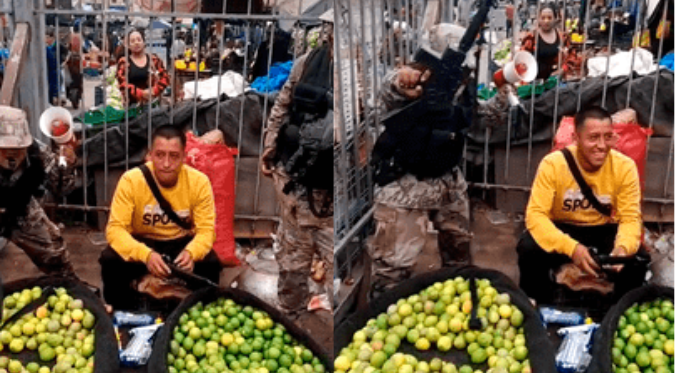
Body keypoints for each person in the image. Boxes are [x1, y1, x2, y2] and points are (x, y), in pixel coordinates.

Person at [516, 107, 647, 305]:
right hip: (563, 228)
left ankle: (618, 309)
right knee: (528, 247)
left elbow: (630, 217)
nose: (602, 146)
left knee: (638, 258)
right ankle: (540, 302)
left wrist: (623, 248)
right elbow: (536, 216)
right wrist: (571, 248)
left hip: (600, 229)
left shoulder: (624, 167)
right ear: (576, 138)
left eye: (608, 137)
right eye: (593, 137)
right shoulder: (552, 165)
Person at [367, 60, 473, 297]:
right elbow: (389, 90)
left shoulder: (463, 89)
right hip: (404, 186)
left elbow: (484, 117)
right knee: (392, 275)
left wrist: (504, 87)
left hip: (449, 183)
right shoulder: (417, 84)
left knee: (459, 261)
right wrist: (402, 80)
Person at [260, 9, 334, 317]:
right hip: (297, 178)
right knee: (293, 259)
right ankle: (289, 315)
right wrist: (270, 147)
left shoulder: (363, 74)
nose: (330, 36)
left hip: (336, 188)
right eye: (328, 30)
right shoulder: (306, 64)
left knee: (341, 262)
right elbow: (282, 105)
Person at [100, 125, 221, 310]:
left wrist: (191, 252)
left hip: (180, 243)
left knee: (211, 264)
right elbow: (115, 230)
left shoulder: (199, 182)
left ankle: (199, 310)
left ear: (184, 157)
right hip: (142, 242)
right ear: (150, 155)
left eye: (173, 156)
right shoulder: (131, 180)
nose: (166, 163)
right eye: (160, 155)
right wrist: (145, 255)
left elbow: (207, 231)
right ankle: (121, 310)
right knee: (110, 260)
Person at [0, 105, 78, 276]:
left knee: (54, 253)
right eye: (5, 149)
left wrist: (66, 162)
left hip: (19, 206)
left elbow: (62, 188)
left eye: (17, 149)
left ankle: (67, 286)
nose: (11, 155)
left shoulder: (37, 152)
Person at [116, 28, 170, 106]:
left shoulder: (154, 60)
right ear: (128, 46)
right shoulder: (124, 62)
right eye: (132, 41)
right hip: (132, 106)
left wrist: (154, 91)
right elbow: (122, 84)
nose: (136, 43)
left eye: (139, 40)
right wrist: (141, 93)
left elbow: (165, 78)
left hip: (153, 104)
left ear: (144, 42)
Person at [520, 2, 571, 80]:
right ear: (538, 19)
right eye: (543, 18)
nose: (546, 21)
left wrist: (562, 70)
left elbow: (570, 57)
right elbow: (522, 59)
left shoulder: (562, 37)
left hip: (555, 82)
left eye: (549, 18)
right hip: (535, 83)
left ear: (555, 19)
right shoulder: (531, 38)